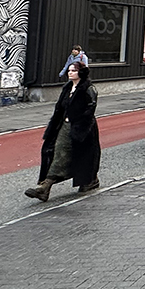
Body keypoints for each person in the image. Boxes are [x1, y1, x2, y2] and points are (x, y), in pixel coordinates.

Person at [25, 63, 101, 201]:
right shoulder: (67, 88)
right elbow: (60, 108)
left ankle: (89, 180)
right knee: (57, 152)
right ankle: (45, 187)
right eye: (69, 70)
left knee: (79, 155)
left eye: (74, 71)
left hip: (82, 128)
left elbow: (89, 110)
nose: (70, 73)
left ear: (81, 73)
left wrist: (80, 127)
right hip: (64, 126)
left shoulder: (88, 89)